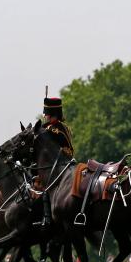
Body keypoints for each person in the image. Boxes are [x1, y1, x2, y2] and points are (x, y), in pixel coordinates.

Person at [38, 95, 74, 227]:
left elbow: (64, 150)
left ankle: (47, 219)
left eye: (46, 114)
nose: (45, 116)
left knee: (45, 188)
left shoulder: (54, 129)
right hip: (61, 163)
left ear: (52, 114)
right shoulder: (58, 127)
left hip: (60, 164)